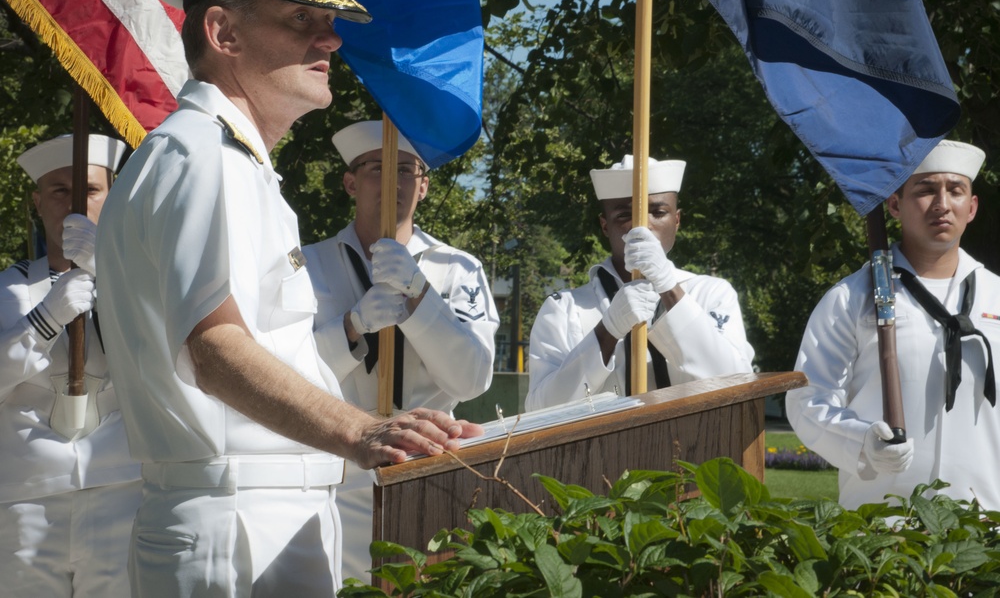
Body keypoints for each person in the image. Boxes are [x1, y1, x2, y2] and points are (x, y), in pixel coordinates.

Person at [95, 0, 480, 597]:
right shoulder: (199, 156)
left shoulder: (231, 163)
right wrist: (364, 430)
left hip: (266, 512)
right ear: (223, 32)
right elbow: (215, 347)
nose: (329, 41)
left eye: (330, 22)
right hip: (236, 524)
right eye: (301, 19)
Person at [303, 119, 499, 581]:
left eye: (406, 169)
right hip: (334, 471)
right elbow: (286, 372)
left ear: (425, 186)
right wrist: (352, 327)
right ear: (350, 182)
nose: (392, 181)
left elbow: (471, 378)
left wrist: (420, 297)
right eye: (375, 167)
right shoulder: (307, 265)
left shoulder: (457, 269)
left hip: (429, 468)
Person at [786, 139, 1000, 510]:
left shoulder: (996, 295)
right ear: (895, 205)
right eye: (926, 190)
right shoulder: (851, 298)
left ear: (972, 207)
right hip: (884, 527)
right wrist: (860, 441)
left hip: (986, 527)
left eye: (955, 191)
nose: (942, 204)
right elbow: (807, 399)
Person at [0, 133, 139, 596]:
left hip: (122, 487)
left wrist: (107, 271)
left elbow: (167, 360)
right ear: (38, 202)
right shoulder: (9, 290)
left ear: (114, 197)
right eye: (60, 191)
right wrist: (43, 320)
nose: (75, 203)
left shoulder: (145, 286)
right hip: (29, 497)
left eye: (91, 191)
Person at [526, 154, 755, 410]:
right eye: (624, 215)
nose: (643, 226)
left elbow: (737, 381)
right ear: (605, 225)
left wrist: (668, 287)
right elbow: (540, 408)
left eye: (658, 212)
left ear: (677, 220)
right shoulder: (564, 309)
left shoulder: (711, 293)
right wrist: (607, 331)